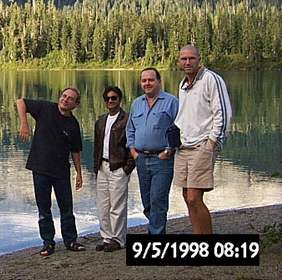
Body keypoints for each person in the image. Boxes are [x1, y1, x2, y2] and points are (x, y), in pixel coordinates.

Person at [16, 87, 85, 256]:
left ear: (75, 104)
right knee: (44, 209)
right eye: (64, 96)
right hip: (40, 168)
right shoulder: (45, 108)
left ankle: (70, 241)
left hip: (61, 171)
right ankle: (48, 242)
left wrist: (79, 173)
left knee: (66, 209)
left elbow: (75, 150)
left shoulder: (73, 124)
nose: (65, 100)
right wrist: (24, 123)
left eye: (70, 98)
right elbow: (21, 102)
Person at [174, 45, 232, 234]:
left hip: (202, 145)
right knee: (186, 196)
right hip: (184, 146)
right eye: (184, 59)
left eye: (191, 58)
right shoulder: (183, 85)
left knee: (194, 196)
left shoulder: (211, 79)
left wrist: (212, 142)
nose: (187, 62)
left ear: (199, 59)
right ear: (179, 61)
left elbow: (223, 113)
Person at [126, 68, 178, 234]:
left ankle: (155, 234)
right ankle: (155, 227)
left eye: (150, 80)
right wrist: (132, 150)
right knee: (147, 202)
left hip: (161, 159)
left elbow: (179, 128)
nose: (147, 83)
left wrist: (169, 150)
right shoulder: (137, 103)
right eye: (144, 80)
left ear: (159, 82)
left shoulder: (171, 102)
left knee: (158, 200)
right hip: (141, 159)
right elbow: (130, 129)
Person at [93, 86, 134, 252]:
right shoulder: (100, 121)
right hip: (102, 167)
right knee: (103, 206)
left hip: (118, 167)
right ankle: (106, 238)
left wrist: (127, 168)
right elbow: (97, 146)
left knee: (117, 205)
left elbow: (132, 143)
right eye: (107, 98)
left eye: (114, 98)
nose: (110, 101)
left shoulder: (127, 119)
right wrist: (96, 167)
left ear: (120, 100)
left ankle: (118, 239)